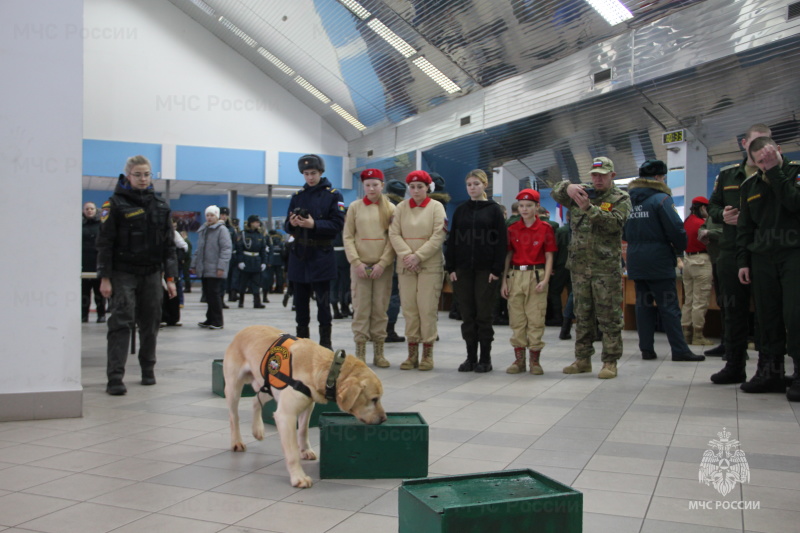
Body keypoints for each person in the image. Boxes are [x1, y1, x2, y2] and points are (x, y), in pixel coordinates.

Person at [96, 155, 178, 395]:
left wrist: (170, 279)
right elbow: (104, 244)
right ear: (128, 176)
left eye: (147, 174)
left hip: (152, 273)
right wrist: (105, 277)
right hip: (123, 273)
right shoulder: (115, 205)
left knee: (151, 323)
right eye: (138, 175)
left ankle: (147, 370)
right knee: (121, 323)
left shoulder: (161, 205)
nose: (143, 179)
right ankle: (115, 378)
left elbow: (169, 246)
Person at [551, 157, 631, 379]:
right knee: (582, 315)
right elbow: (555, 192)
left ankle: (610, 361)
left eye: (602, 175)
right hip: (580, 268)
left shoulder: (620, 198)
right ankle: (582, 359)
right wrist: (568, 187)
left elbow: (616, 223)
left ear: (612, 176)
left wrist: (589, 209)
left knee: (609, 316)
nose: (597, 179)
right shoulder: (581, 193)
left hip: (606, 269)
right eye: (594, 175)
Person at [736, 136, 800, 401]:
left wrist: (776, 172)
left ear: (779, 150)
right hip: (762, 258)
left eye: (768, 158)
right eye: (760, 162)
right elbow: (746, 227)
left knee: (795, 315)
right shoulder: (750, 184)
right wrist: (743, 261)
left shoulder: (795, 174)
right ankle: (771, 372)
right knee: (767, 315)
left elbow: (795, 204)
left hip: (794, 254)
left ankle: (798, 374)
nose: (765, 164)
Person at [708, 123, 771, 386]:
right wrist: (721, 215)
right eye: (755, 142)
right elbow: (712, 206)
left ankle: (768, 369)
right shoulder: (728, 175)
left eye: (764, 142)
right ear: (744, 144)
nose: (760, 149)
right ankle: (734, 364)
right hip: (731, 250)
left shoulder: (776, 174)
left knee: (768, 313)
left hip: (764, 252)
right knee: (732, 310)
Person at [623, 160, 704, 362]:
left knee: (643, 306)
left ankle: (646, 350)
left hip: (636, 257)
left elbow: (623, 230)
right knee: (669, 306)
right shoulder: (661, 199)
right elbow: (676, 229)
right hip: (658, 258)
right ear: (659, 177)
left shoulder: (627, 201)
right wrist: (680, 248)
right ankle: (679, 350)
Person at [445, 169, 507, 372]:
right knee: (467, 315)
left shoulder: (494, 210)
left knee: (484, 315)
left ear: (484, 185)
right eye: (469, 184)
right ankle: (470, 357)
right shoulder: (461, 210)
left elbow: (501, 242)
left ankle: (485, 358)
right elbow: (453, 240)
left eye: (476, 184)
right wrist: (451, 267)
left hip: (485, 270)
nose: (472, 187)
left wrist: (496, 269)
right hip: (462, 271)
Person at [284, 154, 345, 349]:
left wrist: (314, 224)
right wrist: (292, 224)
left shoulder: (334, 195)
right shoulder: (297, 197)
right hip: (299, 255)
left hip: (321, 255)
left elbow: (338, 223)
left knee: (323, 303)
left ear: (321, 172)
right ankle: (303, 343)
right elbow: (287, 225)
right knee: (300, 304)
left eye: (313, 173)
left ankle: (325, 344)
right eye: (306, 174)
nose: (310, 177)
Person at [389, 170, 447, 371]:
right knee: (410, 310)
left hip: (429, 266)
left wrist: (418, 256)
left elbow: (438, 235)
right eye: (412, 187)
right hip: (406, 267)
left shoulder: (436, 207)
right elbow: (394, 233)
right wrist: (407, 255)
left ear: (427, 188)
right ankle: (411, 353)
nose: (415, 190)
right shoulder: (401, 208)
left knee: (427, 309)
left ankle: (427, 354)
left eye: (420, 187)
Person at [343, 168, 396, 367]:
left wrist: (383, 263)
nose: (372, 188)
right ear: (363, 186)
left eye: (375, 184)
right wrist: (356, 262)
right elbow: (348, 237)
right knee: (361, 308)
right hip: (360, 267)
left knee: (380, 309)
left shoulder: (391, 208)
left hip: (383, 267)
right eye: (368, 185)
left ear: (382, 185)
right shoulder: (355, 207)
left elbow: (393, 238)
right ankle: (360, 352)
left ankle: (379, 352)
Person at [501, 188, 556, 374]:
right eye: (522, 206)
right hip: (516, 275)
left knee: (536, 317)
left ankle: (535, 360)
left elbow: (549, 256)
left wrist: (546, 279)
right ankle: (519, 360)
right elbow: (508, 255)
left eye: (529, 206)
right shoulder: (512, 229)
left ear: (537, 207)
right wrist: (504, 281)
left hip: (536, 275)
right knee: (517, 318)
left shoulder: (546, 229)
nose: (525, 209)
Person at [192, 205, 232, 329]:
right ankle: (209, 318)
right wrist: (194, 264)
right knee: (208, 295)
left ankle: (218, 321)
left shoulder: (222, 230)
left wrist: (221, 267)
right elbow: (199, 249)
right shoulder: (204, 230)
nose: (209, 218)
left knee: (215, 295)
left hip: (215, 269)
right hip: (205, 268)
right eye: (207, 215)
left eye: (212, 215)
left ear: (217, 216)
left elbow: (226, 249)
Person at [682, 196, 714, 346]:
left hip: (687, 261)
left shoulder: (686, 222)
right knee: (700, 300)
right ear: (703, 208)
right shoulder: (703, 224)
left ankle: (686, 333)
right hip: (701, 261)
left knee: (688, 300)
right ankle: (698, 335)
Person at [699, 216, 726, 356]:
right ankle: (725, 343)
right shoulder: (712, 213)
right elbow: (702, 228)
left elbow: (730, 231)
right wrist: (704, 232)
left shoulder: (733, 206)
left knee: (732, 306)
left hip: (729, 260)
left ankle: (735, 346)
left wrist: (709, 233)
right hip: (716, 260)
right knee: (722, 303)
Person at [384, 179, 407, 343]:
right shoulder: (402, 209)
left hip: (377, 257)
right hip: (396, 257)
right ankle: (389, 330)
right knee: (393, 296)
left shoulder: (379, 207)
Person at [81, 201, 106, 323]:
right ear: (83, 211)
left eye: (91, 208)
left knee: (99, 292)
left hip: (98, 263)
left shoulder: (101, 225)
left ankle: (101, 314)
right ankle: (83, 315)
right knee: (84, 292)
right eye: (87, 209)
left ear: (96, 210)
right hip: (84, 264)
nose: (89, 211)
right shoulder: (79, 225)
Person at [237, 215, 268, 308]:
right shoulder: (243, 234)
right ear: (251, 223)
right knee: (243, 282)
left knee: (256, 283)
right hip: (246, 260)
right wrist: (240, 261)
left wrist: (264, 262)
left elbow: (263, 250)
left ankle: (257, 302)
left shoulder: (260, 235)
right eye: (256, 222)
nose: (258, 224)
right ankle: (241, 301)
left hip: (256, 261)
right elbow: (239, 249)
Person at [220, 207, 238, 305]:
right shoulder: (215, 227)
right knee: (221, 279)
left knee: (230, 277)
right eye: (222, 214)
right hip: (219, 257)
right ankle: (220, 299)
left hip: (230, 256)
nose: (223, 216)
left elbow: (234, 242)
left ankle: (231, 294)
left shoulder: (231, 229)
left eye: (225, 215)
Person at [264, 229, 285, 298]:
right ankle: (279, 289)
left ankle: (270, 288)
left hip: (271, 261)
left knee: (270, 275)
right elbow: (283, 252)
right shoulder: (281, 241)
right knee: (279, 275)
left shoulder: (269, 240)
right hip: (279, 260)